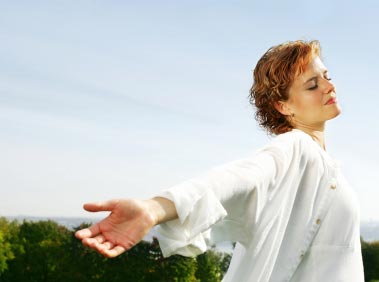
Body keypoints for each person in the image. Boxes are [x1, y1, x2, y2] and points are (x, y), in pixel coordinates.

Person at [75, 40, 365, 281]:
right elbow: (240, 177)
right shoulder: (295, 147)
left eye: (326, 76)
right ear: (283, 105)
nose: (328, 86)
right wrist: (155, 208)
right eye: (312, 85)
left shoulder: (324, 167)